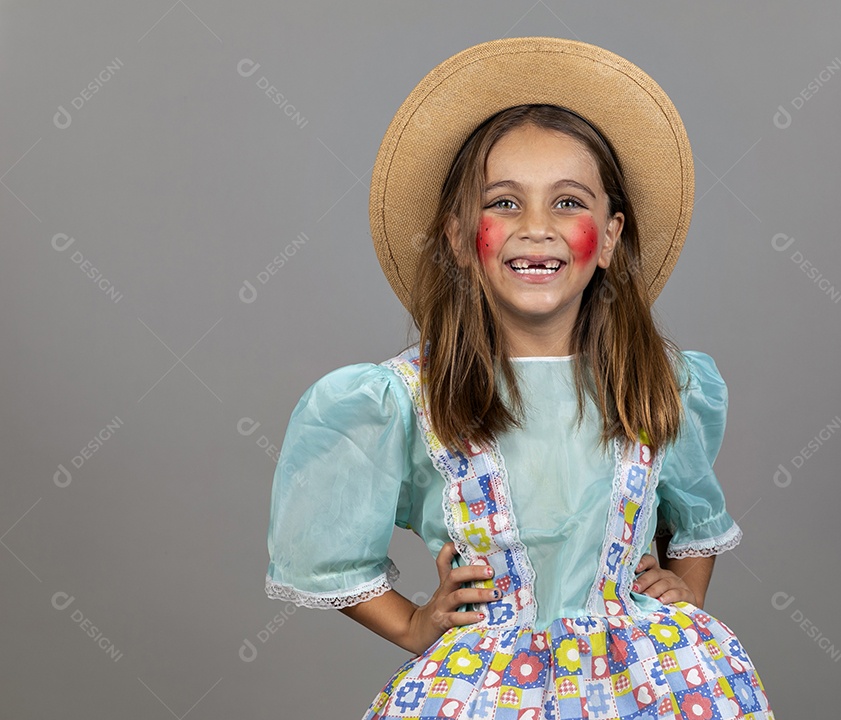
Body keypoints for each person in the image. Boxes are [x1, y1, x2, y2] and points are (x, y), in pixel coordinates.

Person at [265, 37, 774, 719]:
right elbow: (325, 552)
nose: (537, 228)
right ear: (456, 235)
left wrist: (683, 590)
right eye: (503, 203)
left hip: (651, 691)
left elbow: (697, 523)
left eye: (569, 202)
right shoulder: (409, 398)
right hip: (488, 692)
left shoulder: (659, 383)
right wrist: (416, 626)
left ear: (612, 234)